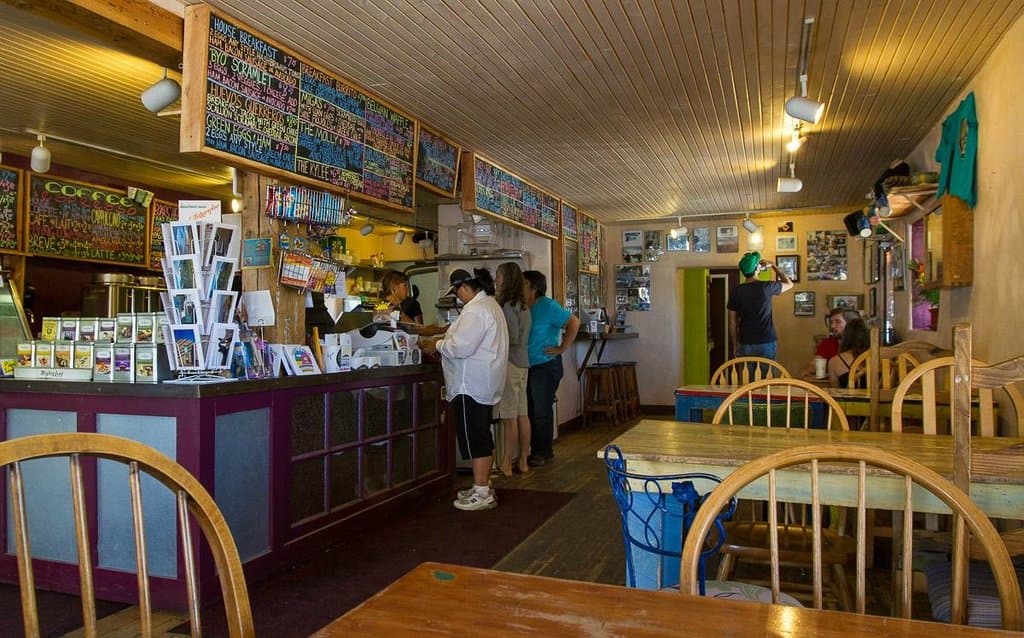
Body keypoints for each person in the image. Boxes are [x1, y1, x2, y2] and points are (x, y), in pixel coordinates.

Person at [421, 269, 508, 511]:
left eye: (457, 291)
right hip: (481, 382)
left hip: (470, 383)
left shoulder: (477, 310)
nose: (458, 297)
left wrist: (436, 344)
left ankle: (482, 491)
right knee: (480, 433)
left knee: (476, 435)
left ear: (465, 287)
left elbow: (461, 347)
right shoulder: (488, 306)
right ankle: (483, 485)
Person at [523, 270, 581, 467]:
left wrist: (562, 347)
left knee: (541, 409)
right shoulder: (522, 307)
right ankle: (531, 450)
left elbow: (574, 322)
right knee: (529, 409)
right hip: (526, 365)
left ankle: (543, 452)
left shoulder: (547, 306)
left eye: (523, 283)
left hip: (546, 364)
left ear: (533, 288)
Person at [494, 262, 532, 476]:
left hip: (510, 362)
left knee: (509, 417)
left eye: (498, 275)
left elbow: (513, 337)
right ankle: (523, 460)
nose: (495, 279)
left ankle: (507, 463)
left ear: (506, 278)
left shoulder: (507, 305)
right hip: (523, 362)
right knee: (522, 414)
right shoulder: (523, 305)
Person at [727, 251, 793, 360]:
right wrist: (774, 266)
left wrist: (735, 344)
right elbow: (789, 284)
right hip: (766, 340)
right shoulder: (766, 287)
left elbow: (732, 323)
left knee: (748, 377)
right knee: (768, 377)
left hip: (745, 341)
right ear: (757, 268)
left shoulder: (736, 292)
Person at [380, 270, 444, 336]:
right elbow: (419, 329)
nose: (407, 289)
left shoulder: (383, 306)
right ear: (394, 287)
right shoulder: (390, 310)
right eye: (405, 285)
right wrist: (443, 329)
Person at [799, 308, 855, 377]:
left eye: (838, 322)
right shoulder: (827, 343)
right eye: (831, 322)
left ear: (851, 325)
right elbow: (814, 364)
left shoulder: (861, 343)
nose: (832, 326)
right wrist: (807, 369)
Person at [828, 318, 871, 388]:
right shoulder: (879, 358)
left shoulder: (834, 362)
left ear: (845, 337)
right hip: (880, 399)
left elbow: (836, 393)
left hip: (847, 399)